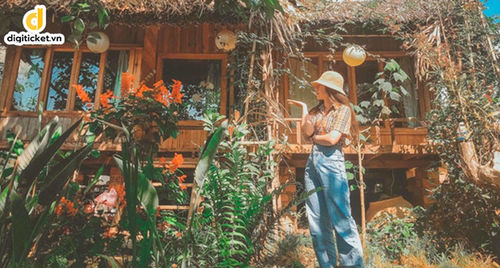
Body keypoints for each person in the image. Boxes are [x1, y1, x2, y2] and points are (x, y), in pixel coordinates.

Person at [288, 71, 364, 268]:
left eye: (319, 86)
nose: (316, 89)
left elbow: (331, 140)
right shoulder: (316, 110)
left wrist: (314, 138)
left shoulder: (343, 111)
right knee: (317, 220)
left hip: (331, 162)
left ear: (329, 89)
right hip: (312, 163)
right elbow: (308, 131)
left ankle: (352, 265)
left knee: (341, 217)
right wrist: (304, 109)